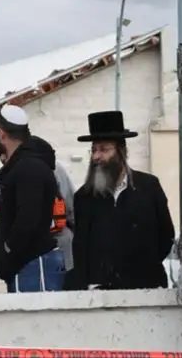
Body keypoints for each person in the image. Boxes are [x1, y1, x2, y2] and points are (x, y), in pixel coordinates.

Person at [68, 110, 172, 290]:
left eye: (104, 149)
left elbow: (166, 236)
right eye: (93, 150)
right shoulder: (84, 197)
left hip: (145, 288)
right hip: (100, 292)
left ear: (121, 151)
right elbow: (80, 249)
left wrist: (143, 268)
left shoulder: (148, 187)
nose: (96, 157)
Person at [0, 107, 69, 292]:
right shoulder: (17, 169)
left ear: (2, 134)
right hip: (27, 267)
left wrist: (7, 250)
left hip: (35, 267)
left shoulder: (29, 168)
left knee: (38, 321)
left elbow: (28, 220)